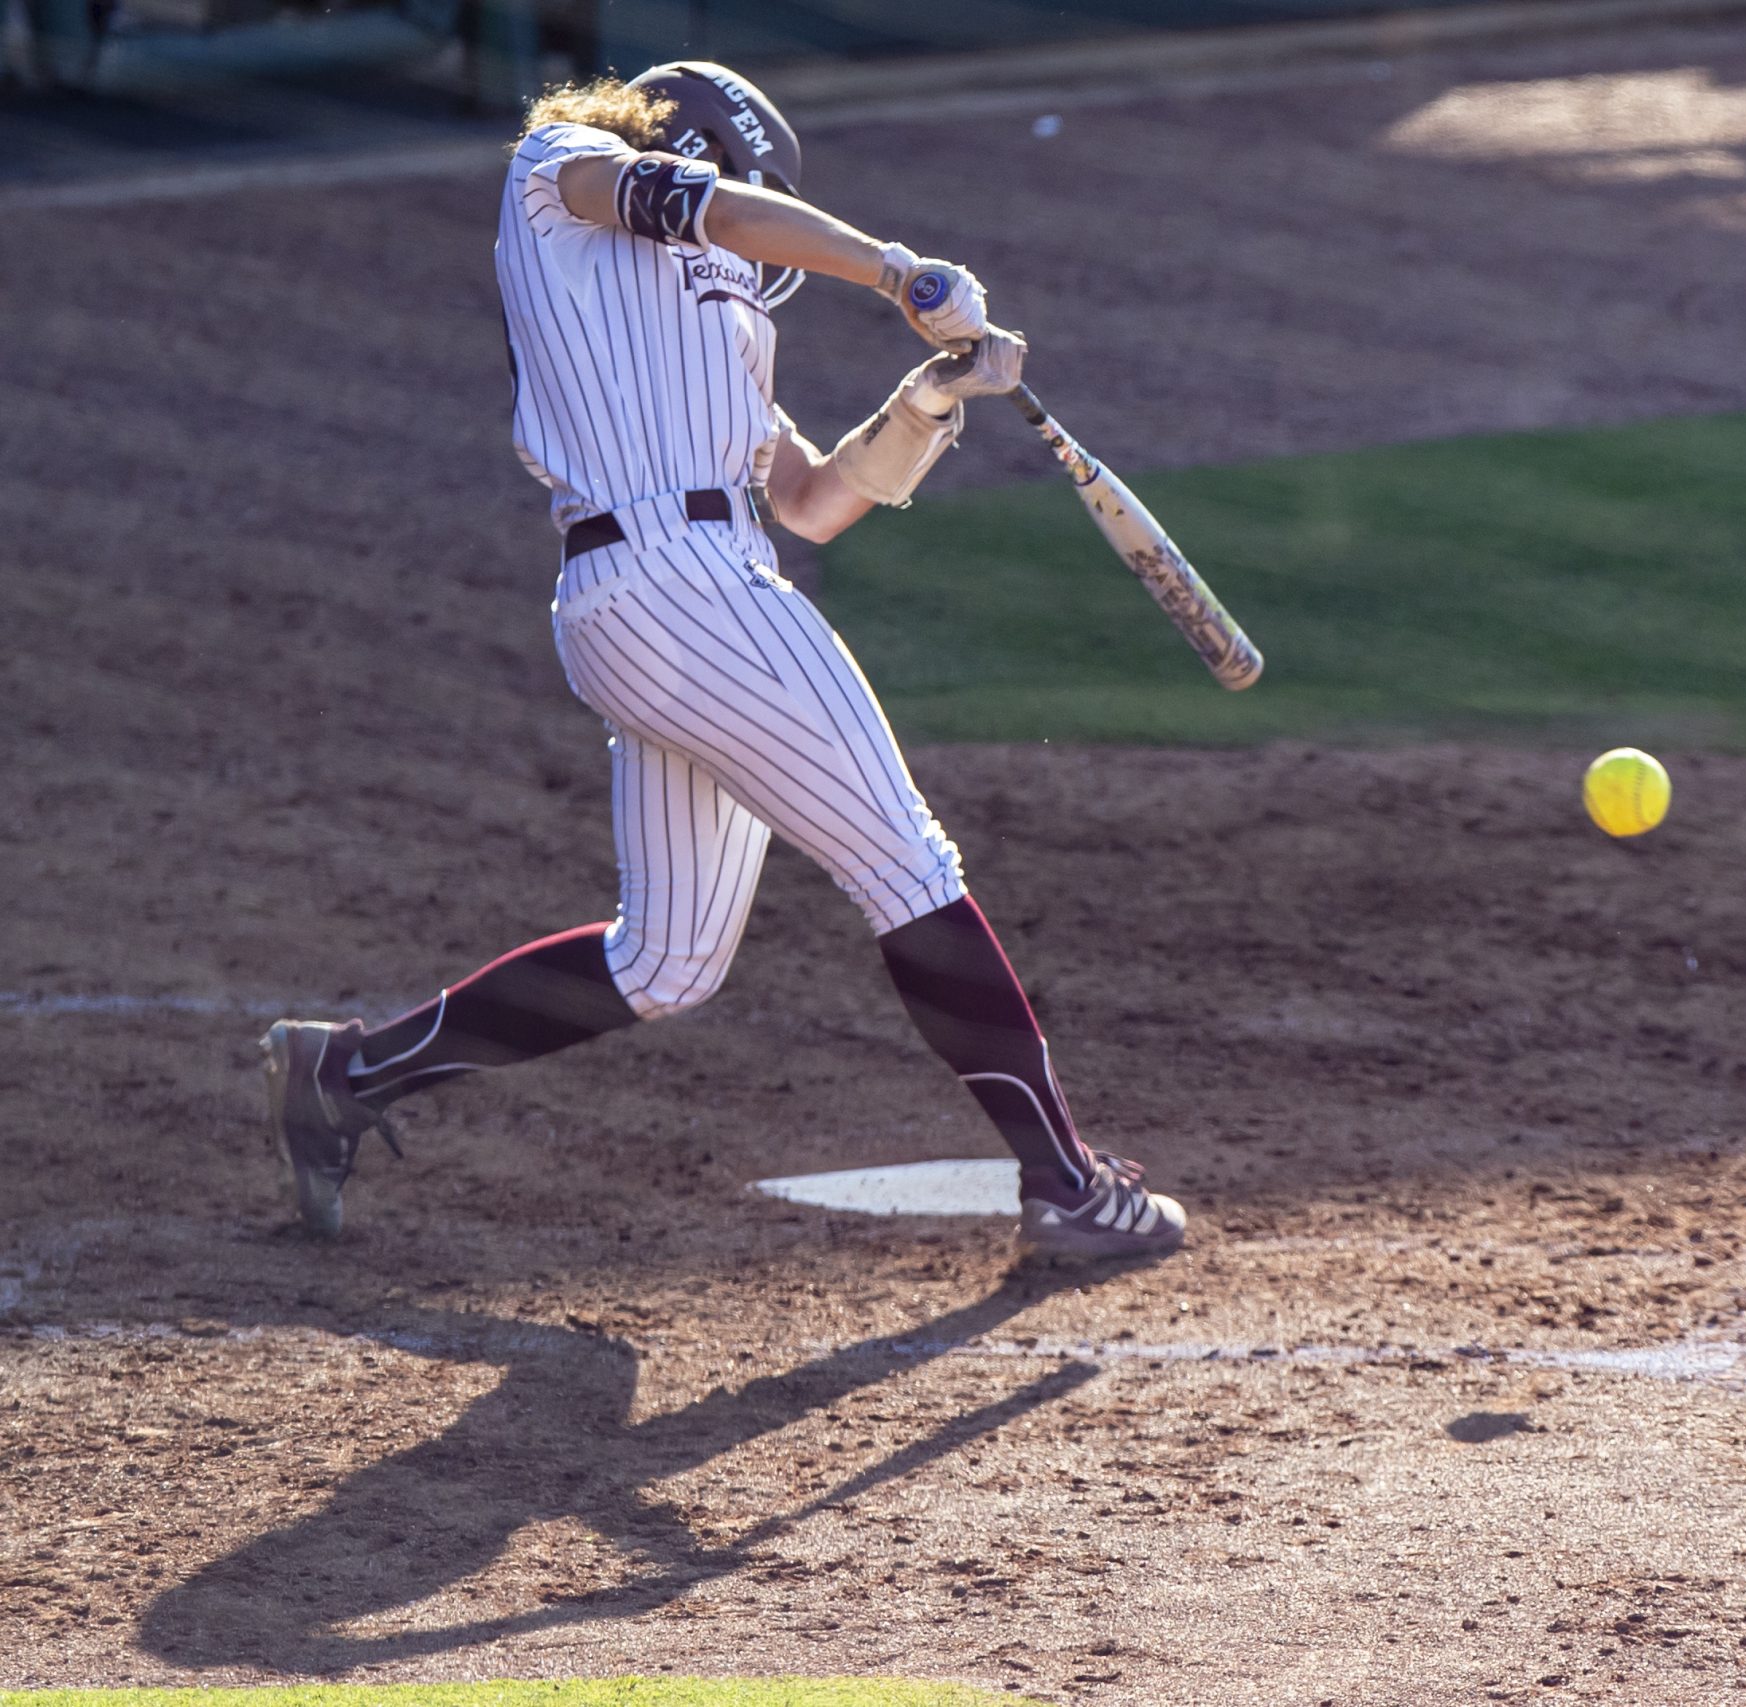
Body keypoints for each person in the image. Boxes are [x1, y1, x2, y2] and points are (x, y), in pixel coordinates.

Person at [259, 62, 1184, 1260]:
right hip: (671, 589)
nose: (759, 253)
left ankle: (347, 1071)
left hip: (676, 602)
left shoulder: (719, 332)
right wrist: (899, 270)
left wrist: (926, 402)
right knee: (907, 866)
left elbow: (807, 501)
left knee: (667, 959)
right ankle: (1065, 1185)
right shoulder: (559, 181)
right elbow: (713, 212)